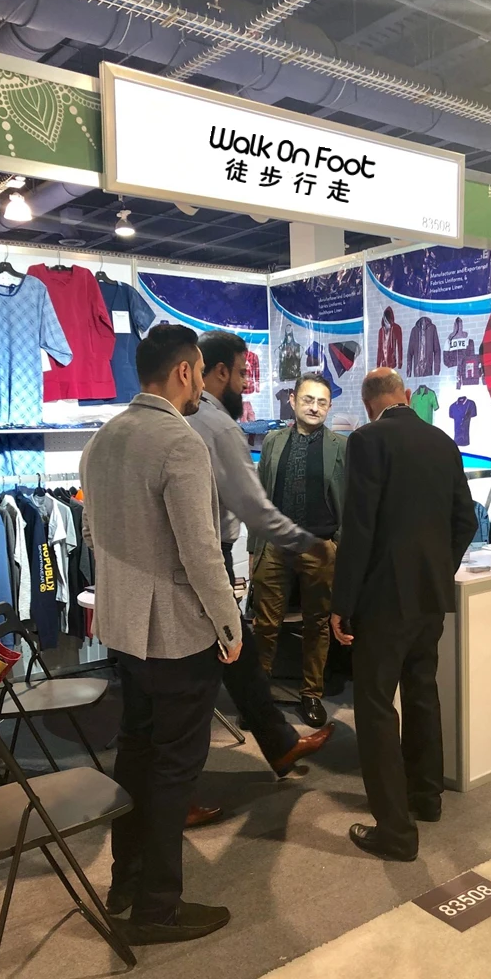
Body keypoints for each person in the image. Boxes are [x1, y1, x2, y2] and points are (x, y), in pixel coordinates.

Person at [80, 325, 242, 946]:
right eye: (199, 371)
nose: (201, 383)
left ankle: (126, 881)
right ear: (184, 371)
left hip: (123, 627)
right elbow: (201, 552)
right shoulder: (180, 442)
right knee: (174, 768)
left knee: (136, 754)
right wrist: (229, 623)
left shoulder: (103, 438)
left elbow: (93, 535)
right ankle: (157, 908)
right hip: (176, 633)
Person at [331, 368, 477, 862]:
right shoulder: (442, 442)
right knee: (421, 692)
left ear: (368, 405)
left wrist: (342, 604)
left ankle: (395, 830)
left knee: (375, 705)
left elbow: (358, 529)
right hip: (430, 596)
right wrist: (438, 569)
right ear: (406, 396)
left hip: (383, 599)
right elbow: (465, 520)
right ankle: (426, 797)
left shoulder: (366, 441)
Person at [188, 330, 335, 774]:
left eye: (322, 401)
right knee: (241, 641)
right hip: (221, 555)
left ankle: (289, 721)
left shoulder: (136, 428)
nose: (245, 384)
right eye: (240, 374)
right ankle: (269, 729)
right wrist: (295, 543)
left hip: (220, 554)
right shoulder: (226, 428)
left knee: (248, 644)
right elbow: (256, 503)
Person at [249, 373, 347, 728]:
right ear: (292, 400)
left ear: (329, 407)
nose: (314, 407)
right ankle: (258, 700)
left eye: (322, 402)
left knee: (316, 624)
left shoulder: (341, 446)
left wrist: (340, 547)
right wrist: (253, 548)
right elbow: (260, 497)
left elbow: (348, 501)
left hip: (321, 547)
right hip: (275, 545)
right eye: (308, 399)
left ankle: (311, 694)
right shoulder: (273, 442)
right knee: (265, 625)